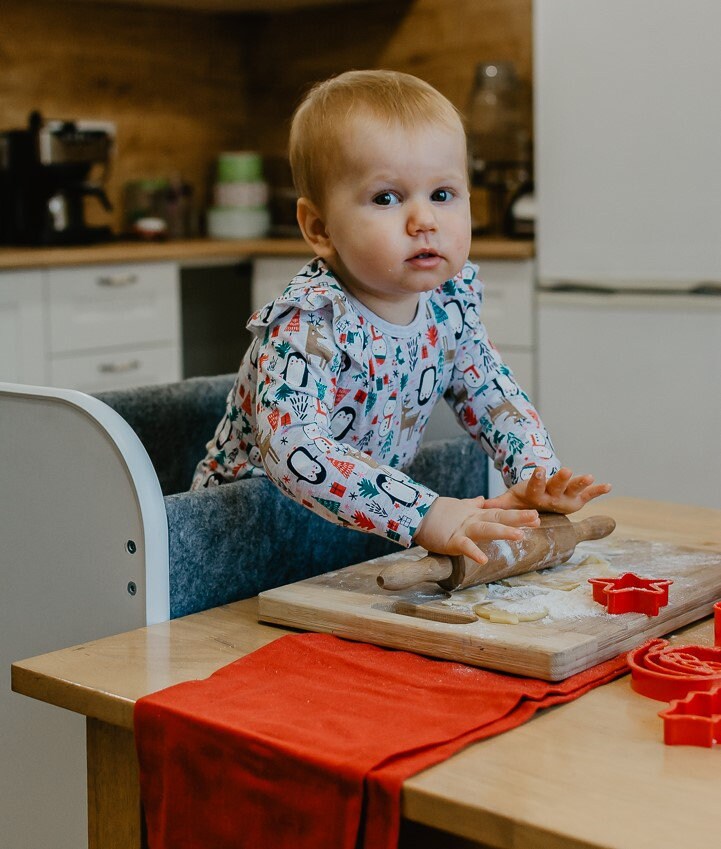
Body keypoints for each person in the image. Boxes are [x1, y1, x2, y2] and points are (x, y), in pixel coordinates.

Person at [192, 69, 610, 566]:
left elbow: (493, 394)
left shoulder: (448, 304)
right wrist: (427, 514)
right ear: (319, 227)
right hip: (244, 544)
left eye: (442, 194)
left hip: (351, 541)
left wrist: (536, 475)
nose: (425, 220)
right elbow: (294, 449)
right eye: (387, 198)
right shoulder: (308, 320)